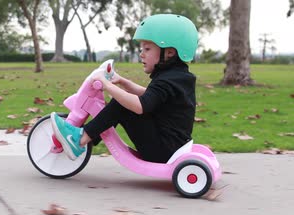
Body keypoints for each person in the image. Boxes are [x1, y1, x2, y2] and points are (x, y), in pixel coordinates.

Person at [51, 14, 198, 164]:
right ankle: (88, 137)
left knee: (122, 103)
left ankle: (79, 140)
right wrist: (122, 81)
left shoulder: (168, 80)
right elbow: (151, 97)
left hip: (162, 151)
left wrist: (107, 86)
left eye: (147, 49)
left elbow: (141, 105)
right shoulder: (177, 77)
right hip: (169, 146)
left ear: (169, 53)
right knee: (124, 100)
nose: (141, 54)